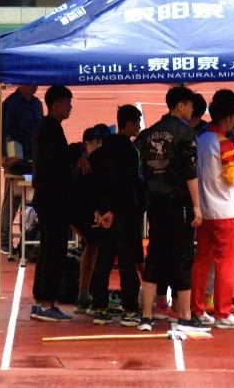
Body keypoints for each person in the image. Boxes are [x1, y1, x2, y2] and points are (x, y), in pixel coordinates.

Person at [135, 86, 210, 333]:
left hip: (155, 204)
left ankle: (146, 316)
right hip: (179, 204)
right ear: (180, 106)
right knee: (183, 256)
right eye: (190, 105)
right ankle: (185, 315)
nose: (192, 109)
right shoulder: (186, 133)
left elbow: (141, 170)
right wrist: (197, 206)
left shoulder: (148, 134)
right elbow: (190, 173)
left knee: (154, 255)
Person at [191, 99, 234, 329]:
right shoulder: (226, 144)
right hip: (224, 210)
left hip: (204, 209)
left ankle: (197, 309)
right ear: (229, 118)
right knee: (225, 262)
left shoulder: (200, 139)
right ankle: (223, 313)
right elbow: (231, 177)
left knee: (202, 260)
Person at [86, 105, 145, 327]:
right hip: (124, 215)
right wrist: (114, 210)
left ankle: (99, 307)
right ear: (128, 124)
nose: (139, 127)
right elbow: (128, 185)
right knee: (127, 262)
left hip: (103, 216)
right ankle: (130, 309)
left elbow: (92, 184)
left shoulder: (100, 152)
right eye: (137, 123)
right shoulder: (130, 152)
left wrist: (98, 210)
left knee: (103, 260)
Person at [28, 86, 77, 322]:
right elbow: (58, 162)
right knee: (55, 249)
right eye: (67, 103)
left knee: (49, 248)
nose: (70, 107)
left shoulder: (48, 127)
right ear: (56, 105)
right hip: (52, 198)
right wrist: (77, 154)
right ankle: (47, 303)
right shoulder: (49, 128)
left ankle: (41, 299)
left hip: (48, 197)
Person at [67, 124, 110, 315]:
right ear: (87, 143)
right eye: (97, 142)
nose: (100, 146)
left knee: (92, 247)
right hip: (78, 212)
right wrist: (80, 156)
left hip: (84, 212)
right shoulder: (80, 156)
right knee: (95, 247)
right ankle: (90, 298)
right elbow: (71, 149)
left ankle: (85, 296)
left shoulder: (99, 160)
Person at [0, 85, 43, 254]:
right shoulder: (10, 104)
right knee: (13, 200)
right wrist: (5, 156)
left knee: (34, 199)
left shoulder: (37, 103)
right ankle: (5, 239)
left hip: (35, 159)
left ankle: (30, 236)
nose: (36, 85)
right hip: (16, 160)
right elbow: (3, 132)